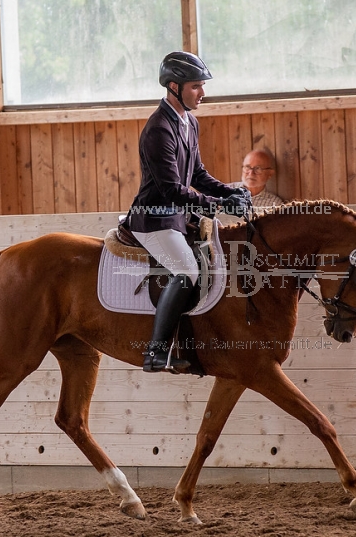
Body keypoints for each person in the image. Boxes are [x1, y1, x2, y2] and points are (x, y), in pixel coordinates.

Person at [125, 51, 249, 374]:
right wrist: (220, 206)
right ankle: (156, 352)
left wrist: (230, 190)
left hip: (176, 217)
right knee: (188, 271)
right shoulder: (158, 129)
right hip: (155, 219)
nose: (203, 93)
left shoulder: (188, 123)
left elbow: (197, 176)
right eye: (196, 87)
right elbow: (172, 190)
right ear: (173, 86)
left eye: (202, 86)